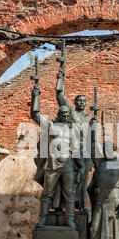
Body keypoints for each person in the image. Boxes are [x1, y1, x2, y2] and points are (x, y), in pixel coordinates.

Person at [31, 85, 84, 228]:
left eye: (68, 115)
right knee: (47, 193)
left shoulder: (73, 130)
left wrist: (82, 167)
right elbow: (35, 114)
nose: (66, 118)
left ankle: (69, 219)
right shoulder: (50, 125)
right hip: (53, 164)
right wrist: (35, 96)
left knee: (69, 193)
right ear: (59, 115)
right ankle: (43, 218)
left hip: (68, 165)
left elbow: (76, 150)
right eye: (63, 115)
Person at [56, 72, 93, 211]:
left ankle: (82, 207)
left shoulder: (90, 119)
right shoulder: (72, 113)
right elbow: (60, 96)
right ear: (75, 102)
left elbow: (93, 140)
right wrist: (60, 78)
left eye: (84, 101)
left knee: (83, 183)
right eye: (79, 100)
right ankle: (64, 207)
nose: (81, 103)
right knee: (69, 181)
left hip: (85, 153)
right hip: (73, 151)